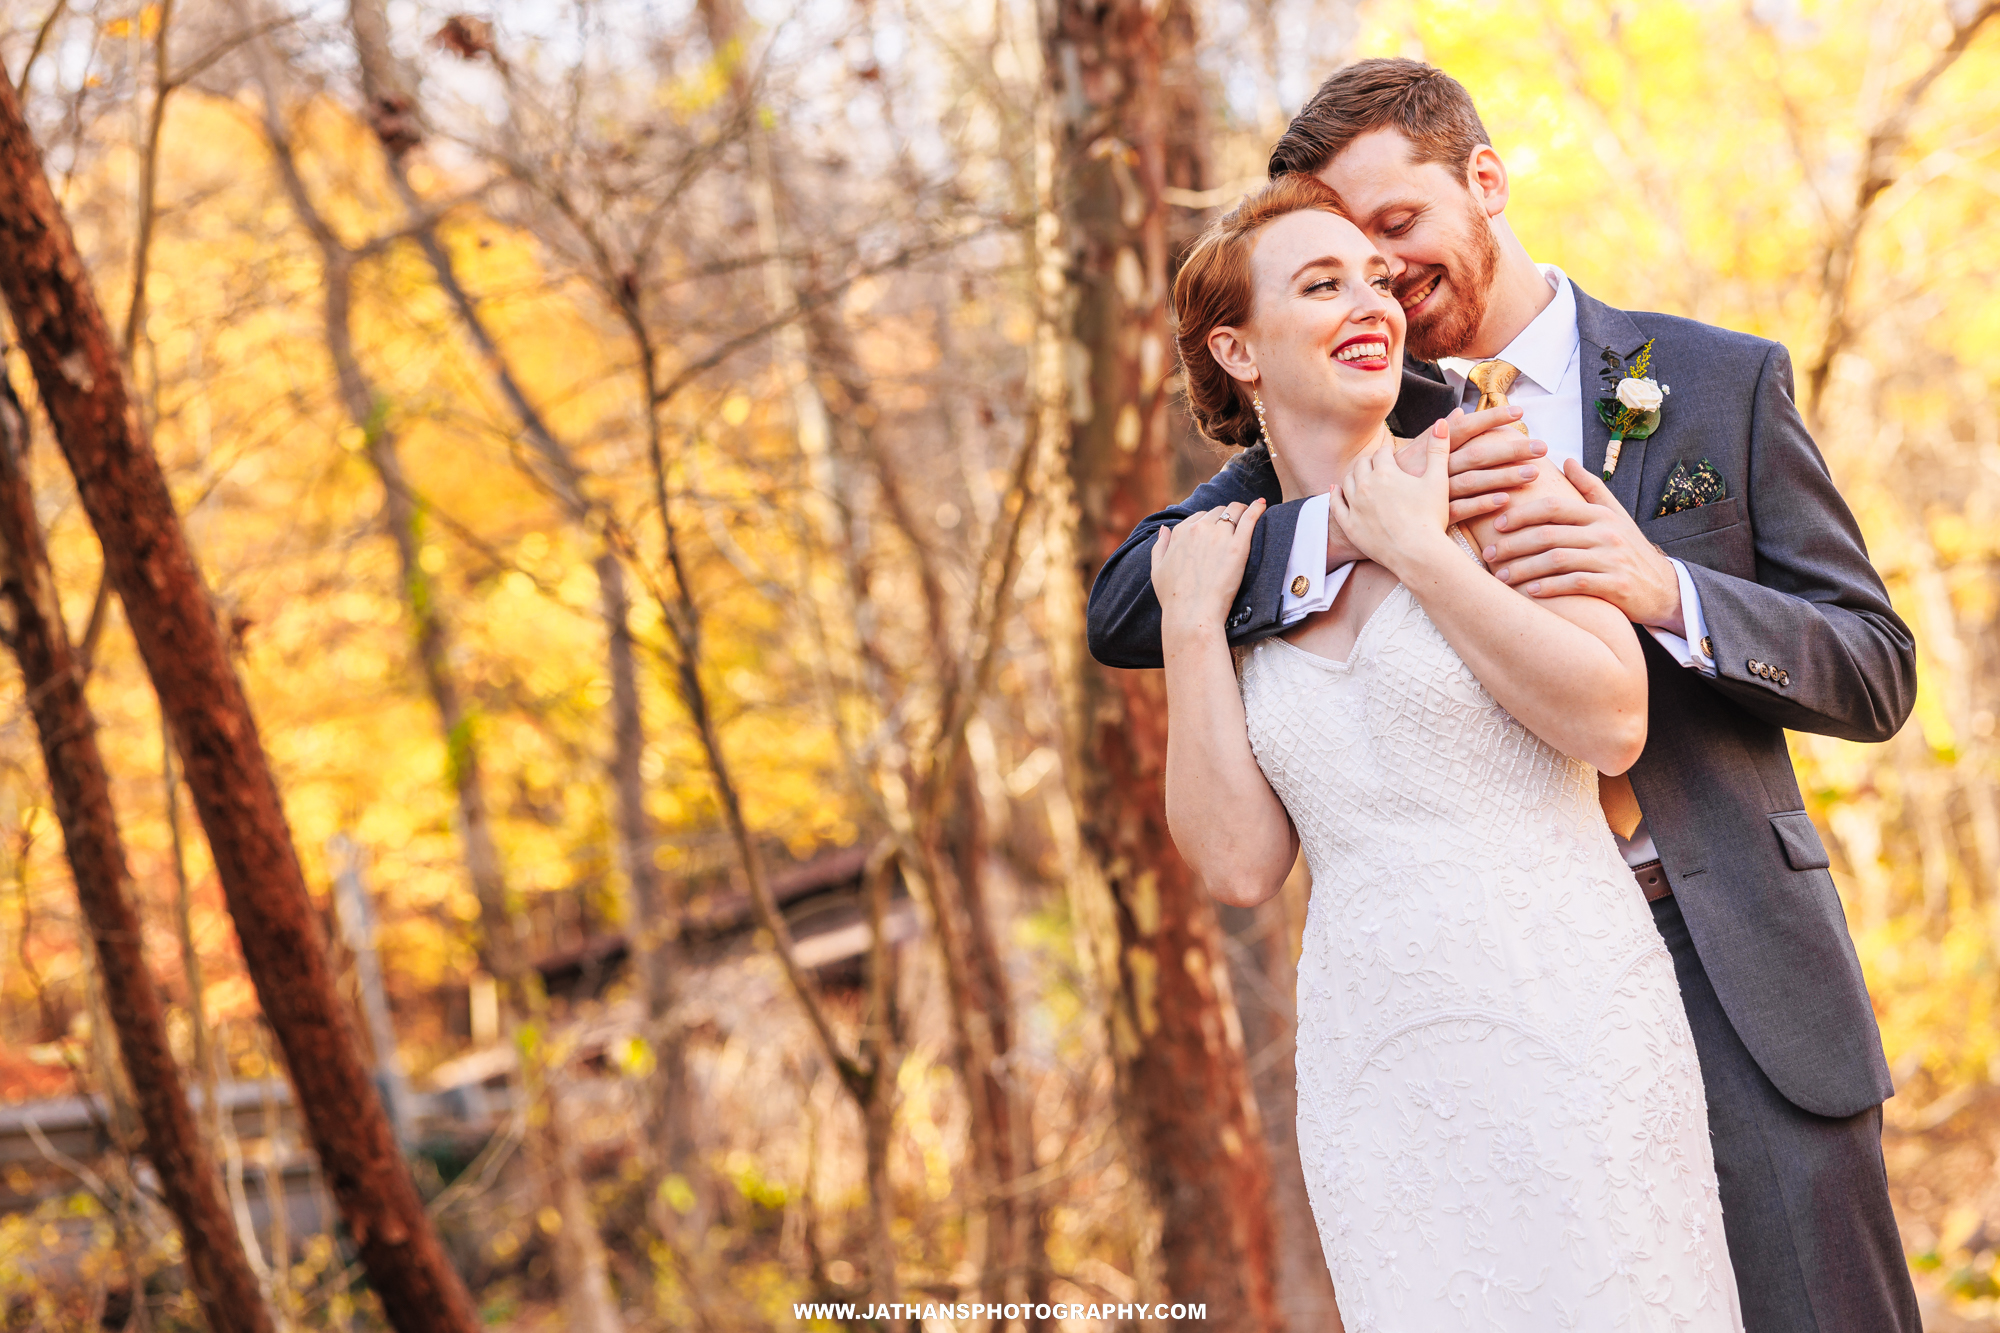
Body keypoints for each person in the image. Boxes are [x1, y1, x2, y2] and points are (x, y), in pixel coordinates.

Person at [1092, 59, 1920, 1333]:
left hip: (1730, 962)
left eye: (1392, 232)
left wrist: (1663, 592)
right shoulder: (1370, 416)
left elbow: (1870, 665)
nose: (1378, 275)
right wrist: (1348, 536)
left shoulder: (1709, 383)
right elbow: (1132, 600)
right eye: (1338, 260)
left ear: (1483, 181)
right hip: (1447, 1014)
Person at [1152, 170, 1743, 1331]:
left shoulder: (1496, 469)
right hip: (1375, 1059)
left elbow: (1609, 716)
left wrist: (1420, 555)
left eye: (1375, 278)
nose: (1371, 303)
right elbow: (1233, 866)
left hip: (1562, 1008)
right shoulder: (1228, 571)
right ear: (1237, 351)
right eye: (1321, 284)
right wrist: (1185, 625)